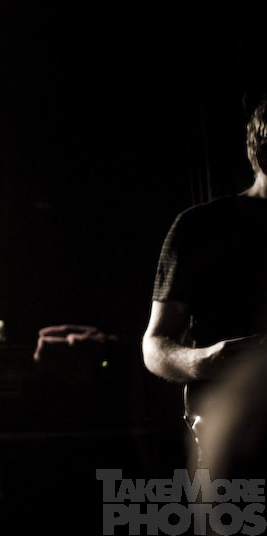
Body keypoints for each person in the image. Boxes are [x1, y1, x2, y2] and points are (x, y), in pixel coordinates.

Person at [141, 96, 267, 475]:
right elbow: (155, 345)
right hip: (237, 442)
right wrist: (205, 361)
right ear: (263, 155)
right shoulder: (199, 228)